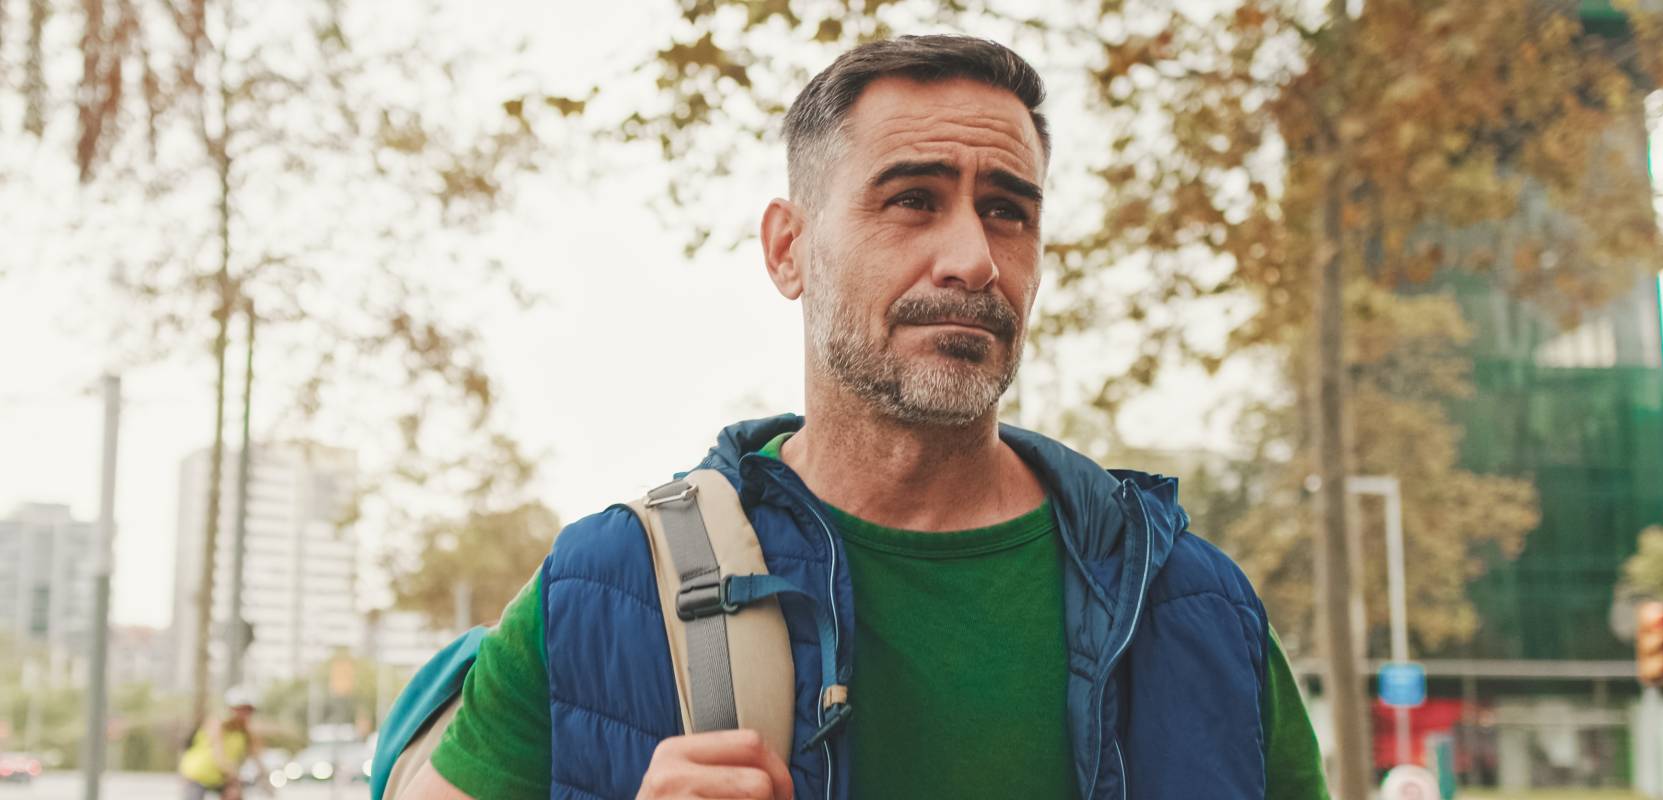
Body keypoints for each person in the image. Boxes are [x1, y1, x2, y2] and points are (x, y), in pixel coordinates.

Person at [403, 34, 1329, 800]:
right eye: (912, 200)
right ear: (788, 249)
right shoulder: (603, 590)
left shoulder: (1195, 607)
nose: (973, 257)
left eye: (1007, 212)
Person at [178, 687, 264, 800]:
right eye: (241, 709)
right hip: (196, 775)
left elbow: (256, 758)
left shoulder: (245, 733)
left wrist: (265, 779)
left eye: (248, 710)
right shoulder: (216, 724)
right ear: (230, 709)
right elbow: (219, 756)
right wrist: (235, 776)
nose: (244, 714)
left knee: (235, 795)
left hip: (220, 778)